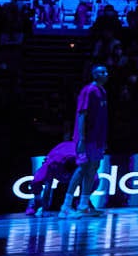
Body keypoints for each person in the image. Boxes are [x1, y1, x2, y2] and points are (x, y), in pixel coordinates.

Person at [61, 65, 109, 216]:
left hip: (98, 139)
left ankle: (83, 205)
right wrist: (81, 138)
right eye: (102, 71)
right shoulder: (89, 91)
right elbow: (82, 114)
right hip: (86, 138)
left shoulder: (103, 92)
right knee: (82, 169)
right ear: (94, 75)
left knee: (92, 169)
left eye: (106, 71)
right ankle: (66, 207)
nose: (106, 74)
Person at [26, 137, 77, 215]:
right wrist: (45, 209)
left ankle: (81, 202)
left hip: (75, 159)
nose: (66, 176)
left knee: (95, 180)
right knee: (37, 180)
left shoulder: (82, 162)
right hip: (55, 160)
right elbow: (48, 186)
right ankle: (36, 203)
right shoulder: (54, 163)